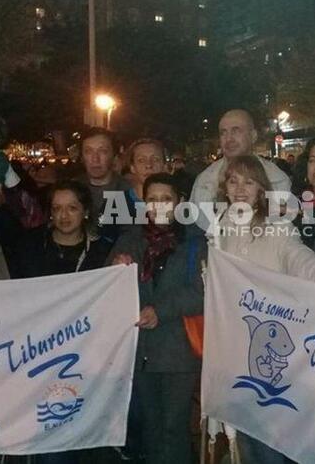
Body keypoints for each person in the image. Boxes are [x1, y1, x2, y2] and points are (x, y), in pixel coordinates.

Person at [213, 156, 315, 464]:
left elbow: (299, 258)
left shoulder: (276, 227)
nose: (240, 189)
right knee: (245, 440)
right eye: (233, 181)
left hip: (273, 355)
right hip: (233, 352)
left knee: (275, 439)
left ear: (262, 188)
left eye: (249, 181)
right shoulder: (218, 230)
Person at [110, 173, 206, 464]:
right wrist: (115, 268)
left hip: (179, 351)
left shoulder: (195, 241)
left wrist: (160, 311)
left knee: (173, 428)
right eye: (153, 199)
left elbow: (202, 291)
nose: (160, 205)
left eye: (167, 199)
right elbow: (107, 288)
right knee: (150, 428)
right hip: (140, 352)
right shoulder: (130, 239)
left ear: (180, 202)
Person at [190, 109, 291, 229]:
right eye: (223, 133)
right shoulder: (204, 181)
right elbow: (196, 230)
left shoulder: (277, 179)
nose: (229, 139)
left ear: (253, 136)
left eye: (236, 131)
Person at [10, 180, 113, 279]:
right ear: (51, 213)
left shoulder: (101, 251)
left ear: (85, 212)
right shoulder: (29, 245)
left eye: (72, 208)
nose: (64, 215)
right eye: (57, 208)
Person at [76, 127, 134, 244]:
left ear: (114, 156)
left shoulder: (128, 191)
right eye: (88, 151)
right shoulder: (71, 189)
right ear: (82, 157)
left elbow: (131, 235)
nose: (95, 159)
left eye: (102, 151)